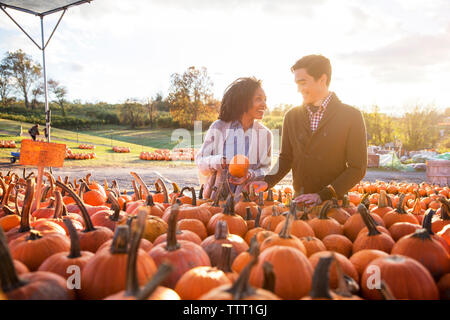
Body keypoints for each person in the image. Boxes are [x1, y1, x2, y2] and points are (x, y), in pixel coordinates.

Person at [251, 54, 367, 206]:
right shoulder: (292, 116)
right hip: (299, 203)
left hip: (334, 206)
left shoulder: (351, 116)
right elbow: (286, 158)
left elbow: (357, 168)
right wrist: (267, 182)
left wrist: (324, 195)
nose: (299, 89)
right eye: (297, 84)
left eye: (303, 82)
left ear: (322, 80)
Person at [196, 77, 273, 201]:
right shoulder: (219, 127)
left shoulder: (266, 134)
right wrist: (220, 161)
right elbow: (200, 162)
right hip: (214, 198)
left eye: (265, 99)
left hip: (245, 201)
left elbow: (265, 169)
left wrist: (251, 174)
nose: (264, 104)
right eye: (258, 99)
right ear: (243, 101)